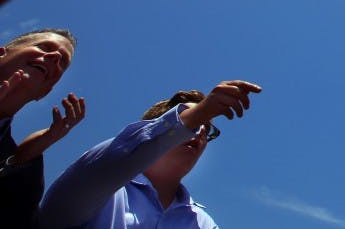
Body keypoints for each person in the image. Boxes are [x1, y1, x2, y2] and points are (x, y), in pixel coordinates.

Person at [39, 79, 261, 229]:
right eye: (195, 122)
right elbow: (114, 157)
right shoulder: (104, 181)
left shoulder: (202, 222)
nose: (200, 130)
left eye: (206, 127)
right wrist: (193, 116)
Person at [0, 25, 84, 229]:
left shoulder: (21, 171)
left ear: (45, 92)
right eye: (44, 47)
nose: (55, 57)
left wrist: (24, 159)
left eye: (63, 63)